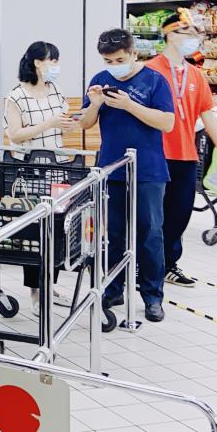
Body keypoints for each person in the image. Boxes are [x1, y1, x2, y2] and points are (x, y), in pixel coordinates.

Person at [80, 28, 175, 323]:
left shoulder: (155, 81)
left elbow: (167, 123)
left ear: (134, 53)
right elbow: (85, 123)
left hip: (149, 170)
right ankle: (113, 288)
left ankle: (152, 296)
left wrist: (129, 105)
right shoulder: (100, 80)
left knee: (150, 233)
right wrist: (96, 104)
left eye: (119, 60)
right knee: (113, 233)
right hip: (111, 168)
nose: (114, 66)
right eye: (108, 61)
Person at [144, 10, 217, 288]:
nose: (194, 38)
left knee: (180, 213)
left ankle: (168, 264)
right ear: (170, 35)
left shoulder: (196, 74)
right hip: (154, 155)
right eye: (188, 32)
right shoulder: (148, 71)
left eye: (196, 34)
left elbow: (207, 114)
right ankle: (145, 267)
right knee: (151, 216)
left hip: (185, 154)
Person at [3, 41, 76, 313]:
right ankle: (36, 292)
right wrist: (50, 123)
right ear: (37, 62)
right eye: (52, 61)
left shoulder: (55, 90)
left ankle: (49, 286)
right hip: (30, 172)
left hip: (58, 169)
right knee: (35, 231)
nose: (56, 66)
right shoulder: (16, 96)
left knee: (57, 229)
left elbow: (64, 127)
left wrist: (69, 123)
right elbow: (15, 135)